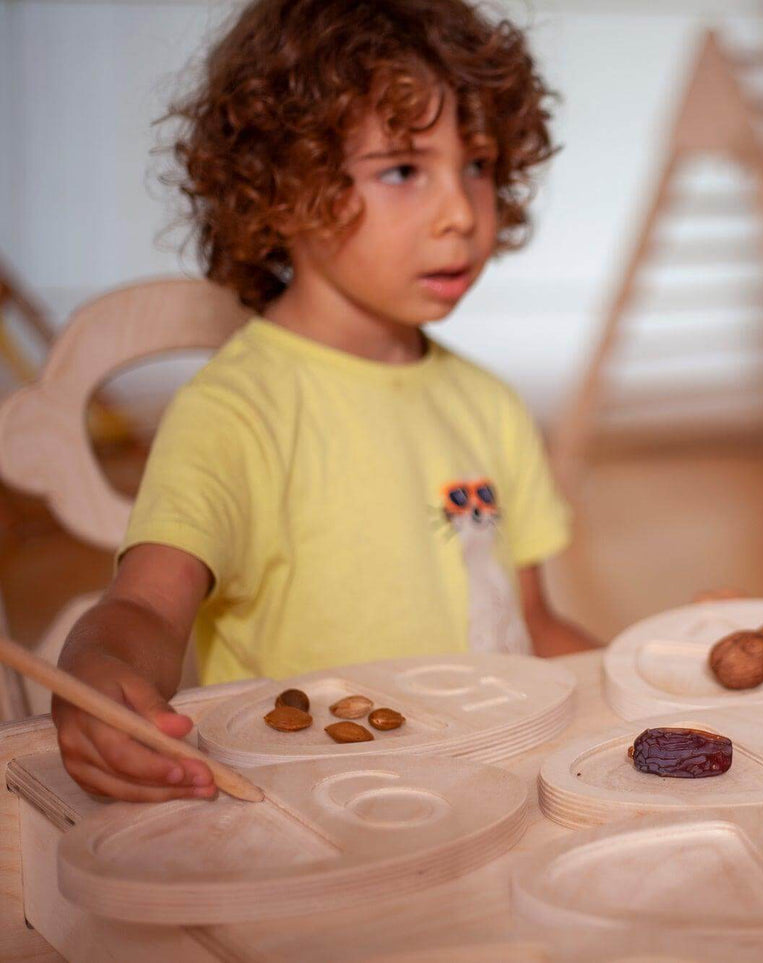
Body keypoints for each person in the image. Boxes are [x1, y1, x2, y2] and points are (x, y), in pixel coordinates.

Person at [53, 0, 596, 803]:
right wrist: (99, 672)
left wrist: (660, 683)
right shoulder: (236, 412)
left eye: (476, 165)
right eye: (403, 169)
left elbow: (533, 628)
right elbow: (144, 608)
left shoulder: (489, 404)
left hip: (495, 794)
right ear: (282, 187)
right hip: (316, 818)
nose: (459, 214)